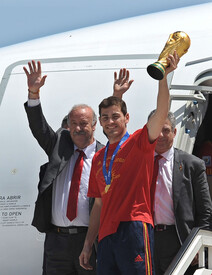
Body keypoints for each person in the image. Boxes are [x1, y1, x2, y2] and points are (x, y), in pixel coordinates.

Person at [23, 61, 132, 275]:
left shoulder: (105, 155)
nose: (78, 128)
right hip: (56, 241)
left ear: (94, 125)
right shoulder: (58, 147)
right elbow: (39, 127)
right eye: (74, 123)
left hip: (91, 242)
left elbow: (118, 133)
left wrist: (117, 96)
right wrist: (33, 93)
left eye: (84, 123)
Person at [79, 52, 179, 275]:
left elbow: (161, 111)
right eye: (104, 118)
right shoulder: (99, 157)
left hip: (133, 226)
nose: (110, 121)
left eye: (115, 116)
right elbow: (98, 205)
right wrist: (88, 243)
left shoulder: (139, 142)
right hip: (106, 234)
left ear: (127, 118)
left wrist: (163, 78)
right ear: (100, 123)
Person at [149, 110, 212, 275]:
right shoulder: (140, 164)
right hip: (147, 241)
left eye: (166, 130)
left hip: (179, 240)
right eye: (157, 130)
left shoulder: (193, 165)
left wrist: (197, 244)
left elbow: (205, 210)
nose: (161, 135)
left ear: (175, 132)